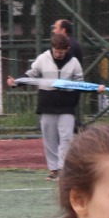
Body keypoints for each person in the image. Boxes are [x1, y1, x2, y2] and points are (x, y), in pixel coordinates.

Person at [11, 32, 83, 180]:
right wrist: (16, 82)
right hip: (47, 104)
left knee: (66, 137)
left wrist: (92, 90)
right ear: (52, 48)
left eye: (61, 52)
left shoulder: (74, 62)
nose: (58, 54)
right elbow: (32, 74)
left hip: (66, 106)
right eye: (56, 51)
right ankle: (53, 170)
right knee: (49, 138)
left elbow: (80, 83)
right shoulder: (43, 58)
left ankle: (63, 169)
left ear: (67, 49)